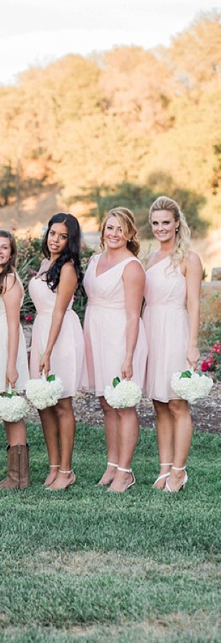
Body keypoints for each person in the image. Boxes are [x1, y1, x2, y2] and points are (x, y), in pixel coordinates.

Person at [83, 207, 147, 493]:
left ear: (130, 233)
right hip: (95, 334)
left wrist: (129, 355)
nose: (114, 234)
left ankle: (125, 471)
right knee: (106, 403)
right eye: (110, 228)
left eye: (120, 229)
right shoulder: (95, 259)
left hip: (120, 337)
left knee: (123, 404)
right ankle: (111, 464)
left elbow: (134, 315)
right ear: (103, 230)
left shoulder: (131, 267)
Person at [143, 197, 202, 493]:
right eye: (155, 223)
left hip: (176, 331)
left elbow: (193, 305)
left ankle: (179, 471)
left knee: (177, 403)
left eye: (166, 222)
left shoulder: (189, 259)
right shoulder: (150, 258)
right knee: (159, 403)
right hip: (151, 329)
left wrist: (192, 345)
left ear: (177, 223)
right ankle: (164, 468)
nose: (160, 228)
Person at [29, 214, 85, 490]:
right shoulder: (44, 263)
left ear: (70, 240)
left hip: (60, 336)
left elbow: (60, 312)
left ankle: (66, 470)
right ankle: (53, 467)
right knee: (44, 404)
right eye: (53, 233)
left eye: (63, 236)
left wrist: (47, 351)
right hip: (42, 330)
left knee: (62, 403)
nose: (56, 240)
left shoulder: (68, 268)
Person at [0, 229, 30, 489]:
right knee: (4, 409)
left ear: (11, 253)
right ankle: (15, 474)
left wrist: (11, 365)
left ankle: (18, 476)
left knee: (12, 411)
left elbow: (13, 325)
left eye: (4, 248)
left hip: (5, 345)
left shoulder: (9, 280)